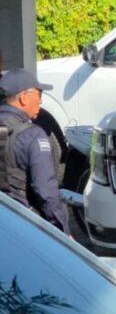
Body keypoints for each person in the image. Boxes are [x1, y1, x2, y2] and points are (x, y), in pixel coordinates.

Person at [0, 69, 70, 234]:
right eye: (39, 95)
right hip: (23, 228)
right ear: (24, 97)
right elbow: (46, 192)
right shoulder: (32, 135)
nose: (40, 101)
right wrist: (63, 232)